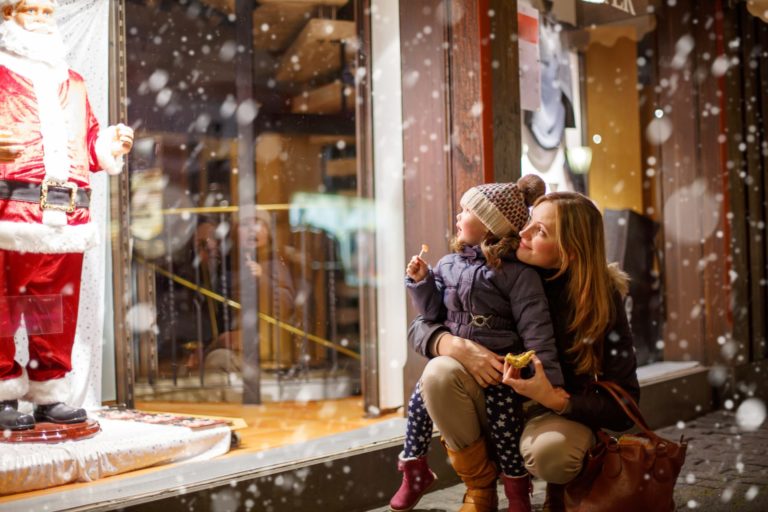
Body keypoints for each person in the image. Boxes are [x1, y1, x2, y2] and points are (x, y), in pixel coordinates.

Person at [408, 191, 639, 512]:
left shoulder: (600, 298)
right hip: (491, 400)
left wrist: (557, 399)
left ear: (570, 252)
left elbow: (624, 404)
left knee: (553, 453)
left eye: (540, 232)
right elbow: (422, 324)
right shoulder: (495, 264)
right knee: (438, 373)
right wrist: (450, 344)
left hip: (550, 413)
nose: (523, 234)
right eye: (529, 222)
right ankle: (480, 489)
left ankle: (565, 485)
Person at [390, 175, 565, 512]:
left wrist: (549, 383)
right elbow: (431, 313)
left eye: (466, 210)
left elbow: (536, 328)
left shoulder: (517, 274)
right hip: (456, 368)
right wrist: (421, 281)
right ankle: (415, 472)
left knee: (505, 429)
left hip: (500, 369)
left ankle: (517, 495)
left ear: (488, 226)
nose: (457, 217)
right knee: (419, 402)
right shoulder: (448, 264)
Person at [0, 0, 133, 430]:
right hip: (9, 212)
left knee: (52, 309)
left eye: (45, 12)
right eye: (29, 11)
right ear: (9, 17)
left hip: (66, 219)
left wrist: (109, 145)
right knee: (3, 309)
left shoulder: (73, 82)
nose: (40, 20)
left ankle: (49, 391)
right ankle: (1, 392)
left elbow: (88, 143)